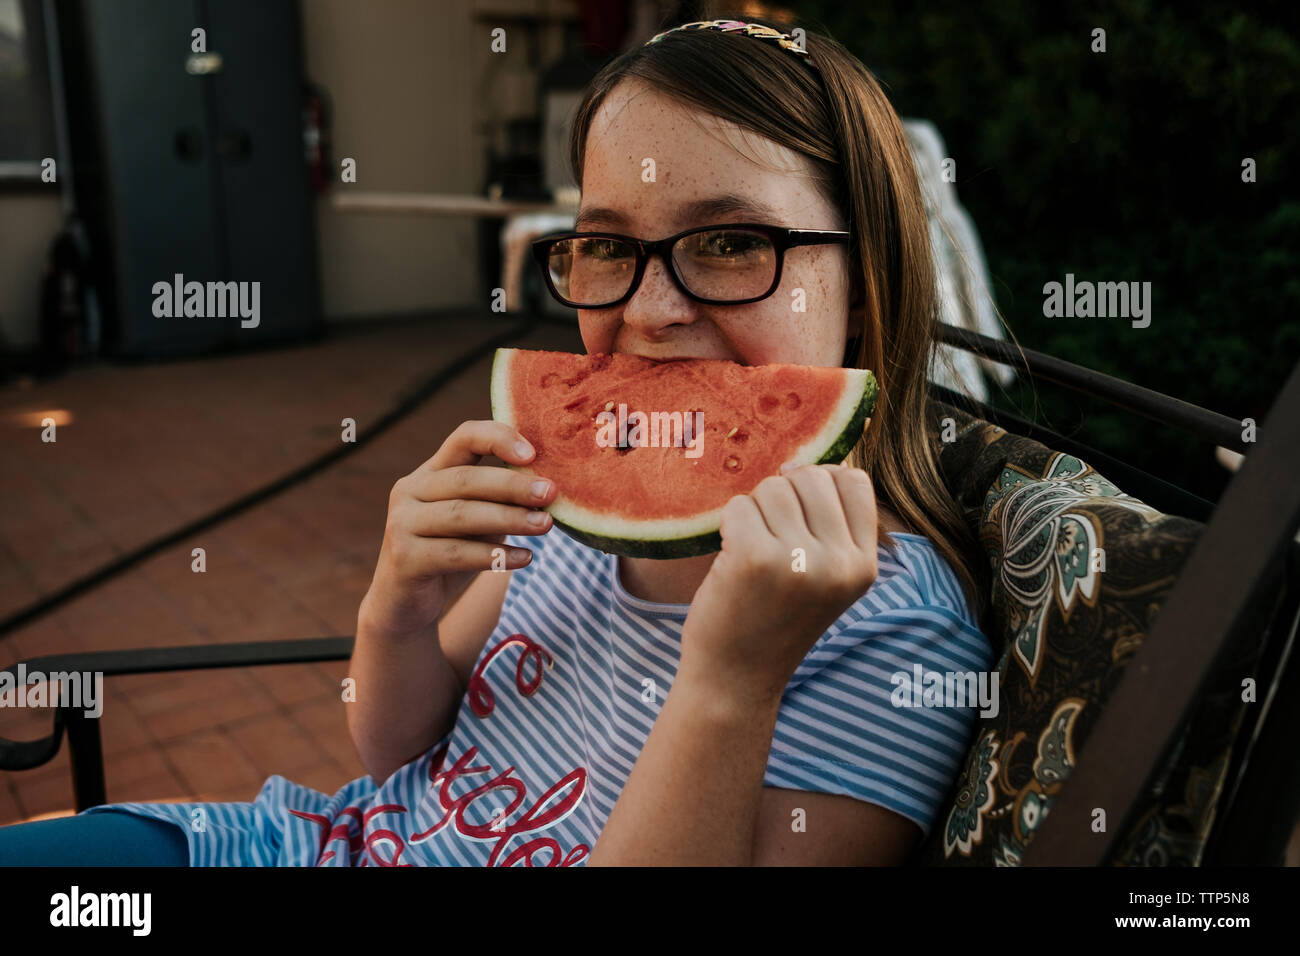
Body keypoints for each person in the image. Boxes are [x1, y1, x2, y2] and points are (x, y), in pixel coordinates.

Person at [0, 17, 994, 867]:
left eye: (731, 241)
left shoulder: (890, 632)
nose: (648, 310)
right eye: (606, 244)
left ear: (862, 282)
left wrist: (733, 678)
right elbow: (395, 754)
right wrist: (398, 607)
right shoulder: (559, 516)